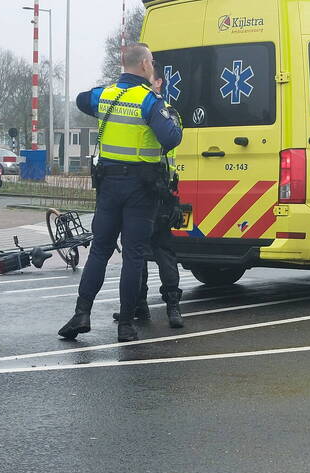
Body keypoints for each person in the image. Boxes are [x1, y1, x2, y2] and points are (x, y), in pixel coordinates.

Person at [58, 43, 183, 342]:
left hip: (109, 186)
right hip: (140, 189)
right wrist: (168, 115)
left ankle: (82, 313)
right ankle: (126, 324)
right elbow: (171, 138)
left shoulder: (105, 95)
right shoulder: (150, 100)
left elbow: (81, 99)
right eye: (151, 61)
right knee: (134, 255)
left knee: (99, 250)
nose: (152, 65)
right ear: (144, 65)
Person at [113, 69, 185, 329]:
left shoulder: (164, 111)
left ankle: (172, 306)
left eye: (149, 81)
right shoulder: (151, 110)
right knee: (137, 252)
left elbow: (168, 144)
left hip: (160, 191)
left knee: (162, 251)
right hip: (142, 189)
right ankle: (139, 304)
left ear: (159, 83)